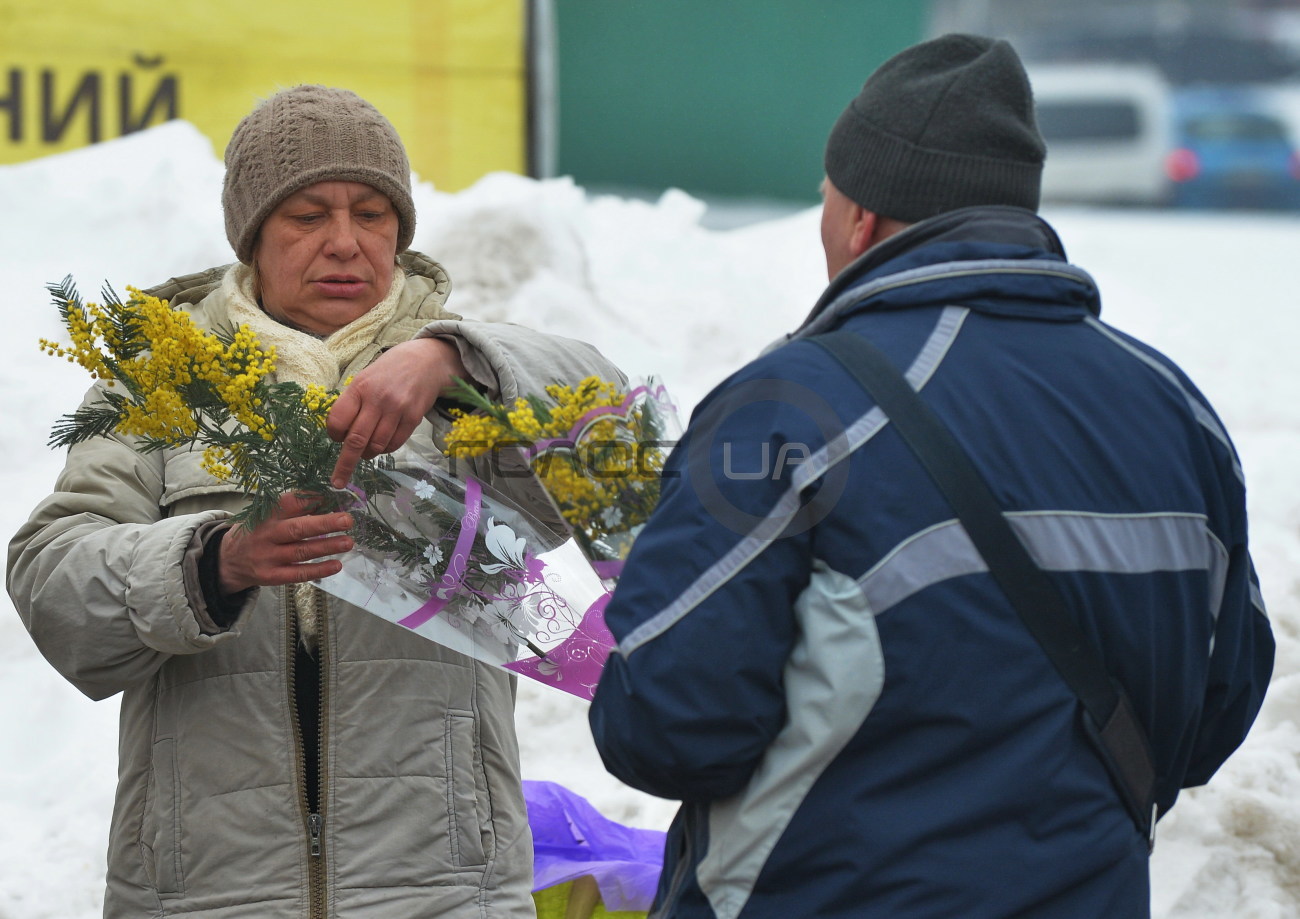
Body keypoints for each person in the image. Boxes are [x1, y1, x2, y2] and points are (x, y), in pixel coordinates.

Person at [587, 34, 1275, 919]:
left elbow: (670, 726)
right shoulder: (1179, 412)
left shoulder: (793, 406)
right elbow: (1221, 698)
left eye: (826, 204)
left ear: (861, 217)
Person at [8, 85, 623, 918]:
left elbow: (615, 428)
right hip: (204, 891)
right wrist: (213, 562)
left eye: (372, 214)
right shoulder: (160, 385)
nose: (345, 243)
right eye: (306, 215)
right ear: (252, 236)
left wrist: (453, 356)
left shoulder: (474, 383)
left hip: (439, 888)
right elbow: (53, 581)